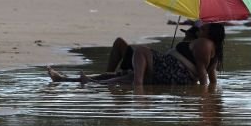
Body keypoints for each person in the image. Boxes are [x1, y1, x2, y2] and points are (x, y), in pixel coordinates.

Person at [47, 25, 201, 83]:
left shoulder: (195, 49)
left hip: (150, 66)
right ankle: (66, 79)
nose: (184, 36)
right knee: (119, 44)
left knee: (118, 77)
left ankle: (68, 80)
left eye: (187, 34)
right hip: (149, 63)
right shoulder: (184, 49)